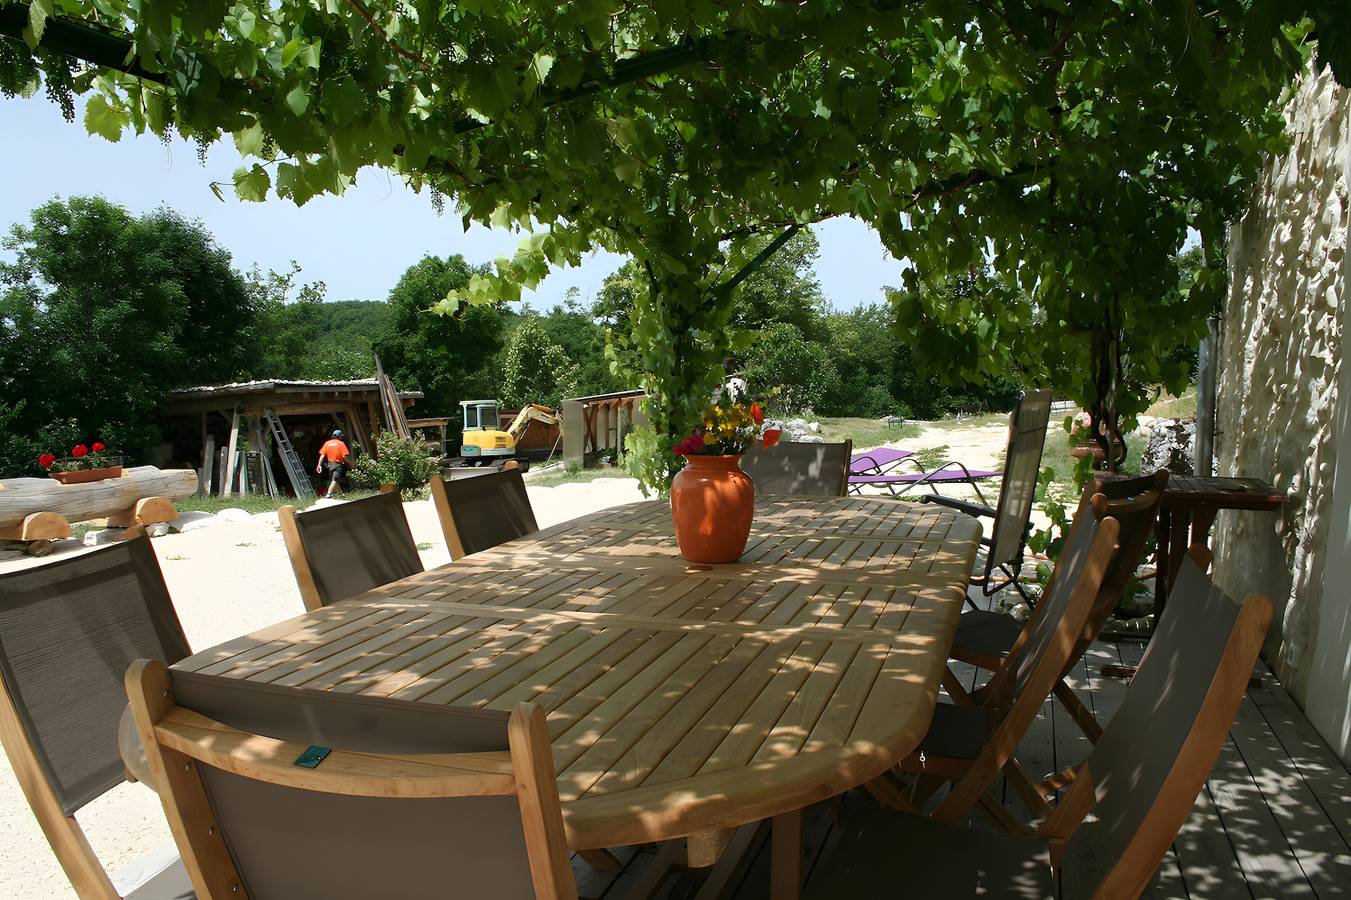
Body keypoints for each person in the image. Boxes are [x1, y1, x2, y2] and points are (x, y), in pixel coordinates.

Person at [316, 429, 350, 498]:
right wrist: (351, 463)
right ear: (339, 436)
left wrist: (319, 465)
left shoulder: (327, 443)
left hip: (330, 465)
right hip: (338, 464)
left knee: (334, 479)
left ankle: (340, 494)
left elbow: (322, 455)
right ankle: (329, 494)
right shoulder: (341, 443)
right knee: (335, 480)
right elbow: (344, 457)